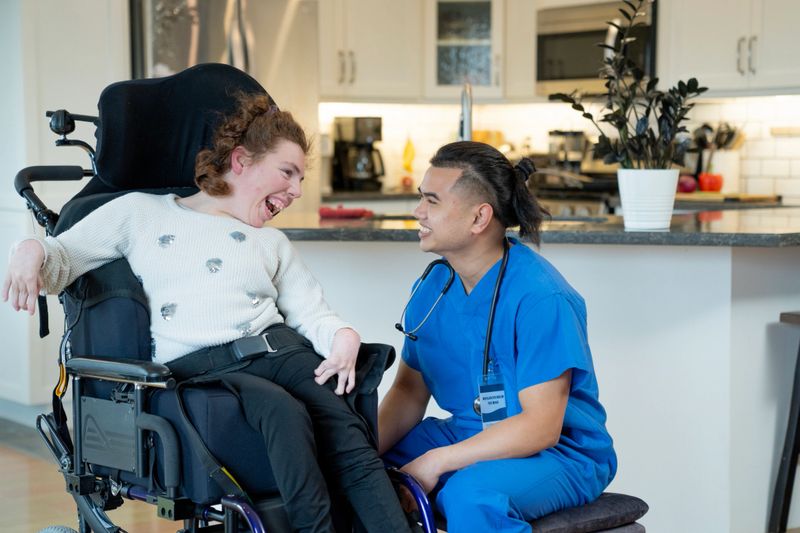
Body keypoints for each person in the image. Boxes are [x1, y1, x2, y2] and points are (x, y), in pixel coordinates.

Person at [3, 94, 411, 533]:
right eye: (287, 172)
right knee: (281, 413)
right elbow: (62, 257)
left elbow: (313, 314)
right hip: (206, 365)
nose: (296, 190)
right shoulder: (142, 213)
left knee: (349, 437)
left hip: (283, 352)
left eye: (300, 178)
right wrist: (28, 250)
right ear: (241, 161)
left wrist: (343, 337)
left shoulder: (271, 243)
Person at [378, 141, 617, 533]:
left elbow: (541, 426)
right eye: (421, 198)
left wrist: (438, 460)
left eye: (432, 201)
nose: (418, 212)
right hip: (469, 433)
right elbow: (408, 394)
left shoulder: (542, 297)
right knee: (357, 471)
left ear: (479, 218)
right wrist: (358, 453)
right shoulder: (433, 287)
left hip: (558, 452)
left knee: (470, 498)